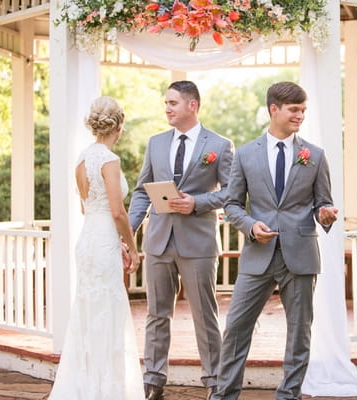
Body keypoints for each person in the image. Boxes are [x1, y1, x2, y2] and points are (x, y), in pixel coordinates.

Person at [211, 82, 338, 400]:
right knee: (237, 327)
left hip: (300, 253)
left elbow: (323, 202)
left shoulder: (316, 156)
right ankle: (225, 394)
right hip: (258, 254)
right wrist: (251, 226)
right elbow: (232, 204)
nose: (300, 116)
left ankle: (289, 395)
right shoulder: (244, 154)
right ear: (274, 110)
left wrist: (325, 214)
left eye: (303, 110)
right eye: (294, 110)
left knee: (299, 332)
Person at [128, 81, 234, 400]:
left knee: (205, 313)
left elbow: (232, 192)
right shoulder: (155, 143)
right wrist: (127, 231)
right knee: (157, 314)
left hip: (198, 244)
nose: (167, 108)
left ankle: (215, 380)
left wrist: (198, 202)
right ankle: (153, 380)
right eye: (166, 103)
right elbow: (140, 191)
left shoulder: (219, 144)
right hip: (158, 241)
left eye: (173, 102)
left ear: (192, 105)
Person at [49, 96, 144, 399]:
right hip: (103, 239)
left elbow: (85, 207)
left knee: (89, 310)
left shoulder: (82, 158)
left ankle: (83, 386)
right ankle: (107, 391)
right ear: (120, 124)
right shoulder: (108, 160)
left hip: (88, 238)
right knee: (109, 310)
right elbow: (118, 212)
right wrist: (133, 247)